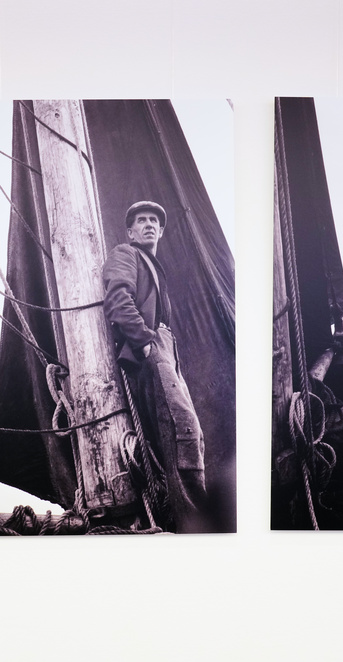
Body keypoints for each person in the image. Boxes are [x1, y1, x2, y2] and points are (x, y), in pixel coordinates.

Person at [102, 200, 207, 532]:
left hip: (165, 351)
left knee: (191, 437)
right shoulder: (126, 254)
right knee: (184, 434)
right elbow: (119, 298)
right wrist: (146, 343)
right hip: (151, 349)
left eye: (153, 221)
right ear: (131, 232)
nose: (148, 224)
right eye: (140, 221)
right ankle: (196, 526)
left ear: (160, 232)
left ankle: (183, 520)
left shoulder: (153, 266)